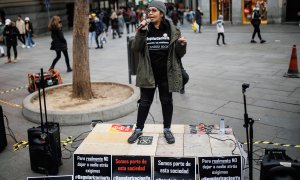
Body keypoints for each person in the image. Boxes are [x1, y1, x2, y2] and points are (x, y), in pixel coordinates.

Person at [128, 1, 187, 144]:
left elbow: (179, 54)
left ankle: (167, 129)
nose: (150, 13)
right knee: (144, 103)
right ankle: (138, 129)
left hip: (166, 74)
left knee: (167, 102)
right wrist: (141, 32)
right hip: (149, 73)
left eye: (154, 10)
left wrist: (182, 45)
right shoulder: (145, 29)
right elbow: (136, 48)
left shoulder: (173, 30)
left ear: (161, 13)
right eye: (149, 10)